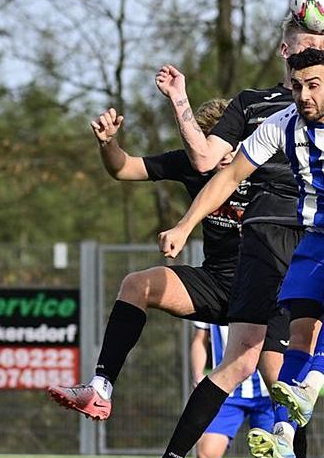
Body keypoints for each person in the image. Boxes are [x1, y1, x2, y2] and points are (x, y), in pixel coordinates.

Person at [154, 47, 324, 458]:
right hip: (317, 235)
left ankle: (312, 387)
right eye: (296, 86)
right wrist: (185, 225)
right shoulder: (281, 125)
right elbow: (227, 176)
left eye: (313, 85)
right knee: (301, 338)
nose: (303, 95)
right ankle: (283, 434)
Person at [46, 100, 256, 421]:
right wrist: (108, 143)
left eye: (228, 143)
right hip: (217, 284)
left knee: (297, 381)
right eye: (209, 143)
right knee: (136, 285)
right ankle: (100, 389)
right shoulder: (193, 162)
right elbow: (123, 168)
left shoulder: (268, 162)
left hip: (268, 290)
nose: (222, 153)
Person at [191, 321, 273, 458]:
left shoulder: (272, 299)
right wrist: (198, 374)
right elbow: (200, 338)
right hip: (226, 391)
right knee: (206, 455)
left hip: (268, 392)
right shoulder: (210, 299)